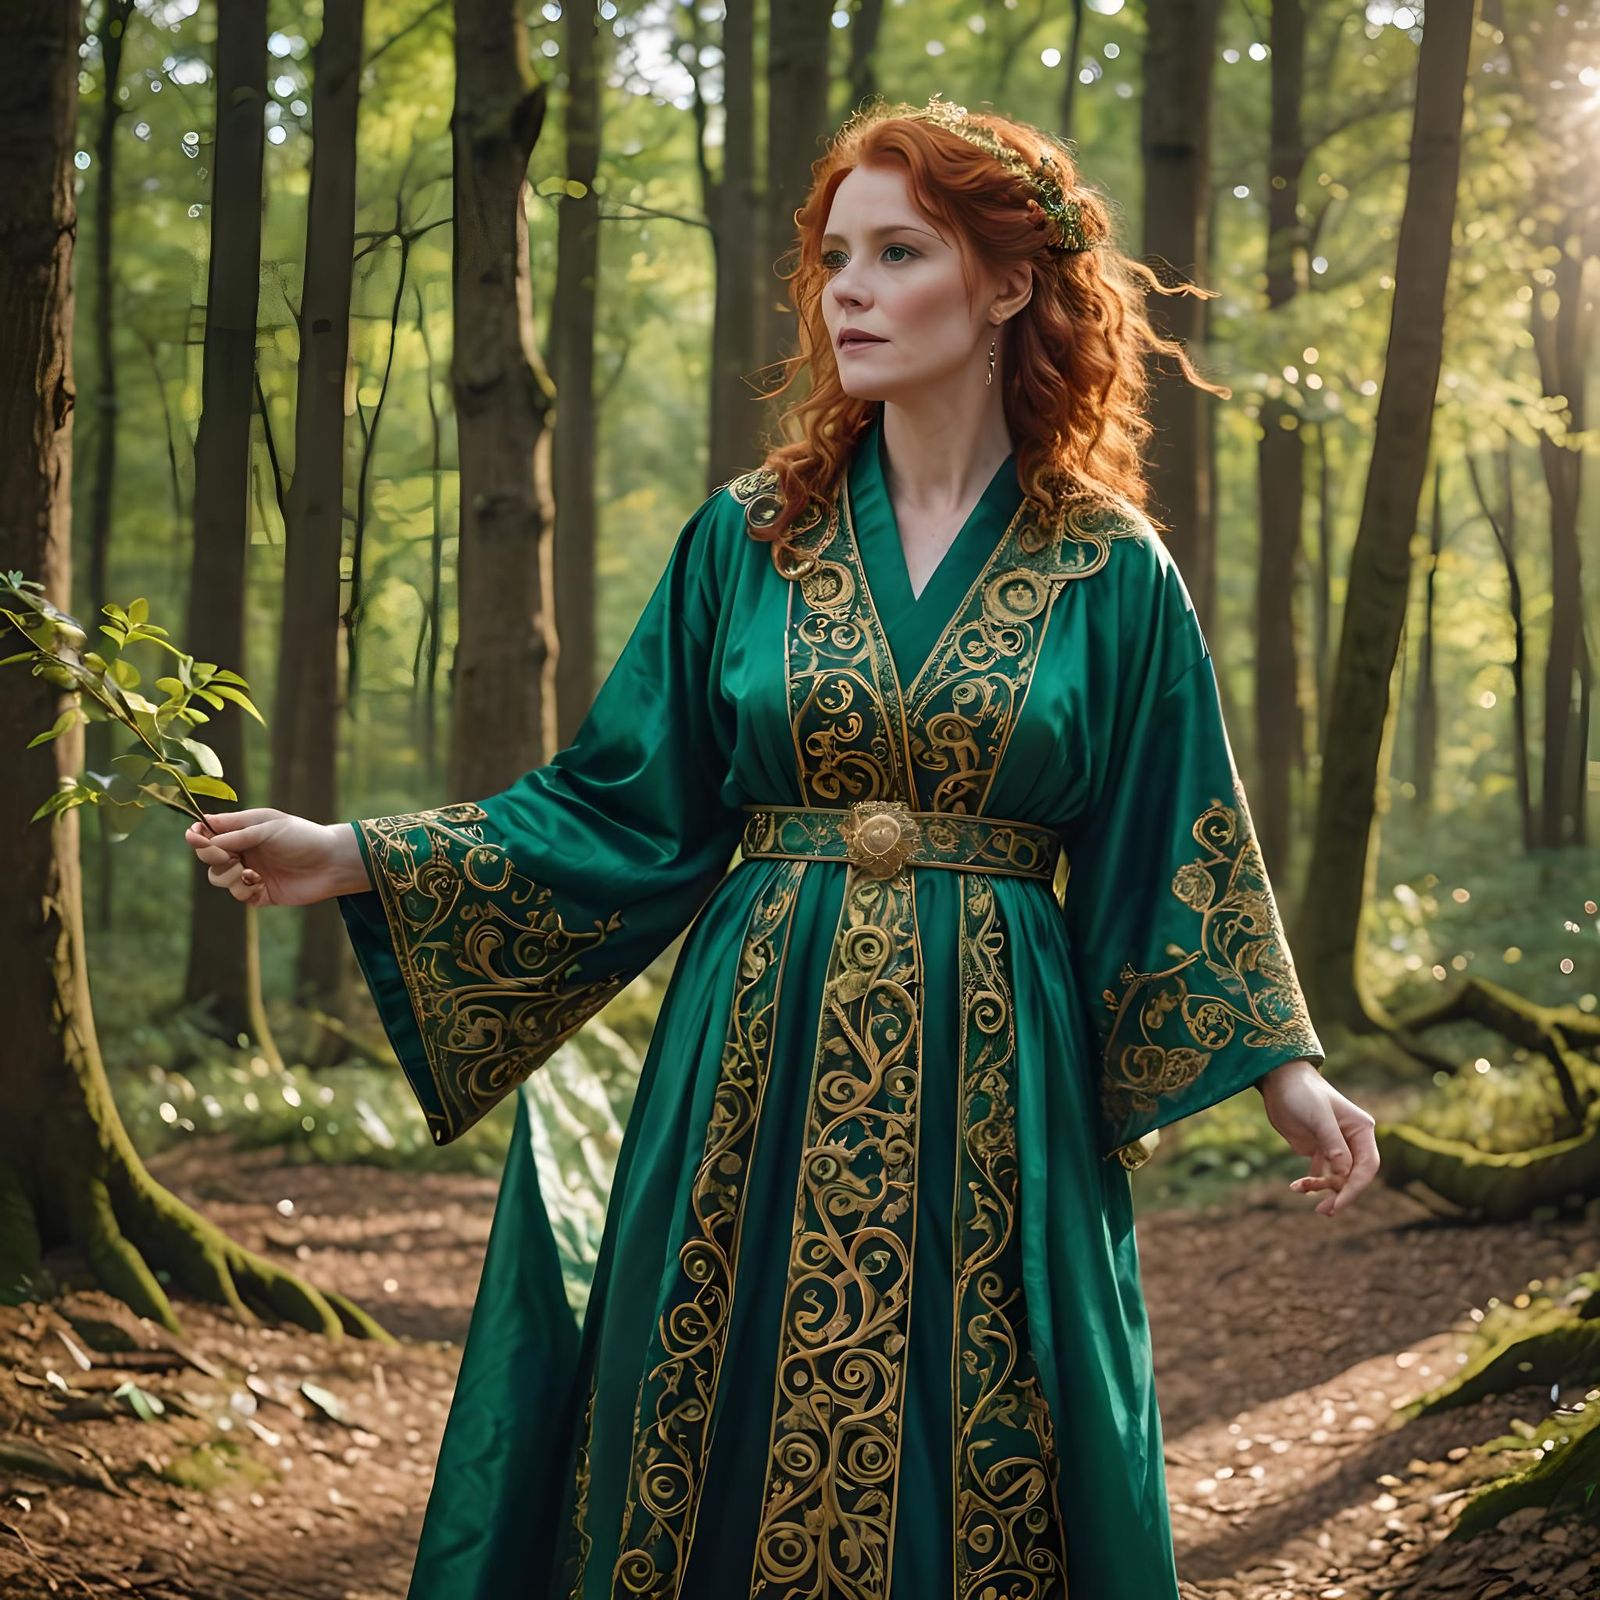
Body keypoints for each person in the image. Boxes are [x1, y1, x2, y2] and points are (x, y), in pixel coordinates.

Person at [185, 94, 1379, 1600]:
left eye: (898, 252)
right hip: (749, 1061)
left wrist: (1285, 1068)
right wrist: (355, 853)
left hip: (995, 1083)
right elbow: (623, 801)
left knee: (984, 1432)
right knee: (706, 1429)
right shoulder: (748, 537)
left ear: (1008, 284)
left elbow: (1176, 840)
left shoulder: (1109, 569)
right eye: (833, 260)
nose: (849, 292)